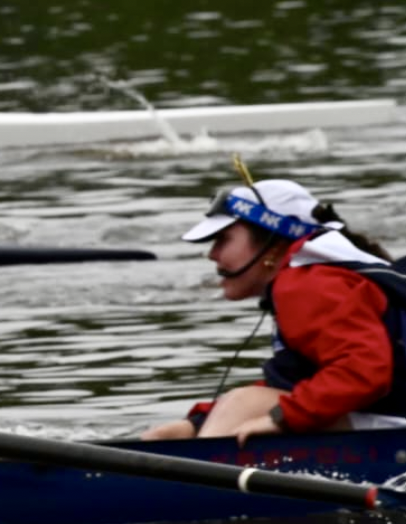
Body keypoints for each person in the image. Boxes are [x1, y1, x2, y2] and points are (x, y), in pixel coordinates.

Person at [143, 180, 406, 444]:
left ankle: (189, 478)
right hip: (388, 423)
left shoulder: (307, 284)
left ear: (274, 244)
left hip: (393, 434)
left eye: (223, 239)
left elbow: (365, 370)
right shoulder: (320, 279)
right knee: (245, 401)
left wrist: (281, 418)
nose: (212, 254)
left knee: (245, 403)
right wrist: (195, 425)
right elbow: (294, 384)